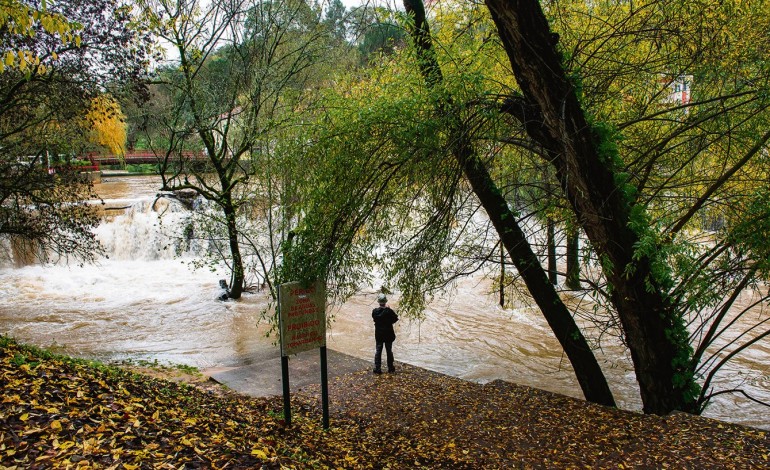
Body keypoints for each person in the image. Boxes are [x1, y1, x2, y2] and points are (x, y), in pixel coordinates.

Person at [372, 293, 398, 374]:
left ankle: (378, 368)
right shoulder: (389, 311)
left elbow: (374, 319)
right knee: (389, 351)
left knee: (378, 351)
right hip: (388, 334)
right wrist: (388, 310)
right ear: (385, 302)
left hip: (379, 334)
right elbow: (395, 319)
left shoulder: (375, 312)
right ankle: (390, 368)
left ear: (379, 302)